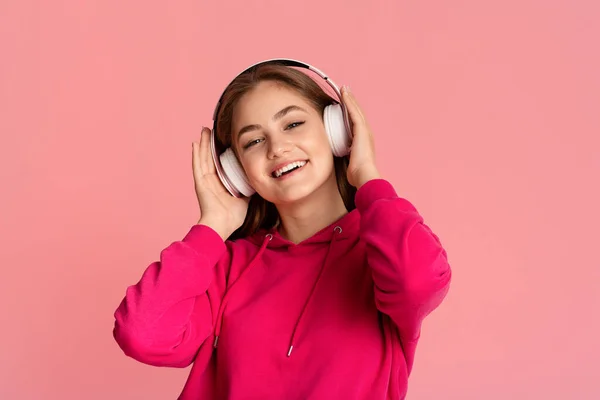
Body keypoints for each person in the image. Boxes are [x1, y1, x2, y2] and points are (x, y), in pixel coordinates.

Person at [113, 60, 452, 400]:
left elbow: (420, 281)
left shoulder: (380, 252)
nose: (276, 148)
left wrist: (366, 174)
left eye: (293, 124)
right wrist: (213, 226)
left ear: (338, 131)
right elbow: (143, 335)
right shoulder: (227, 267)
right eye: (253, 141)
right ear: (237, 172)